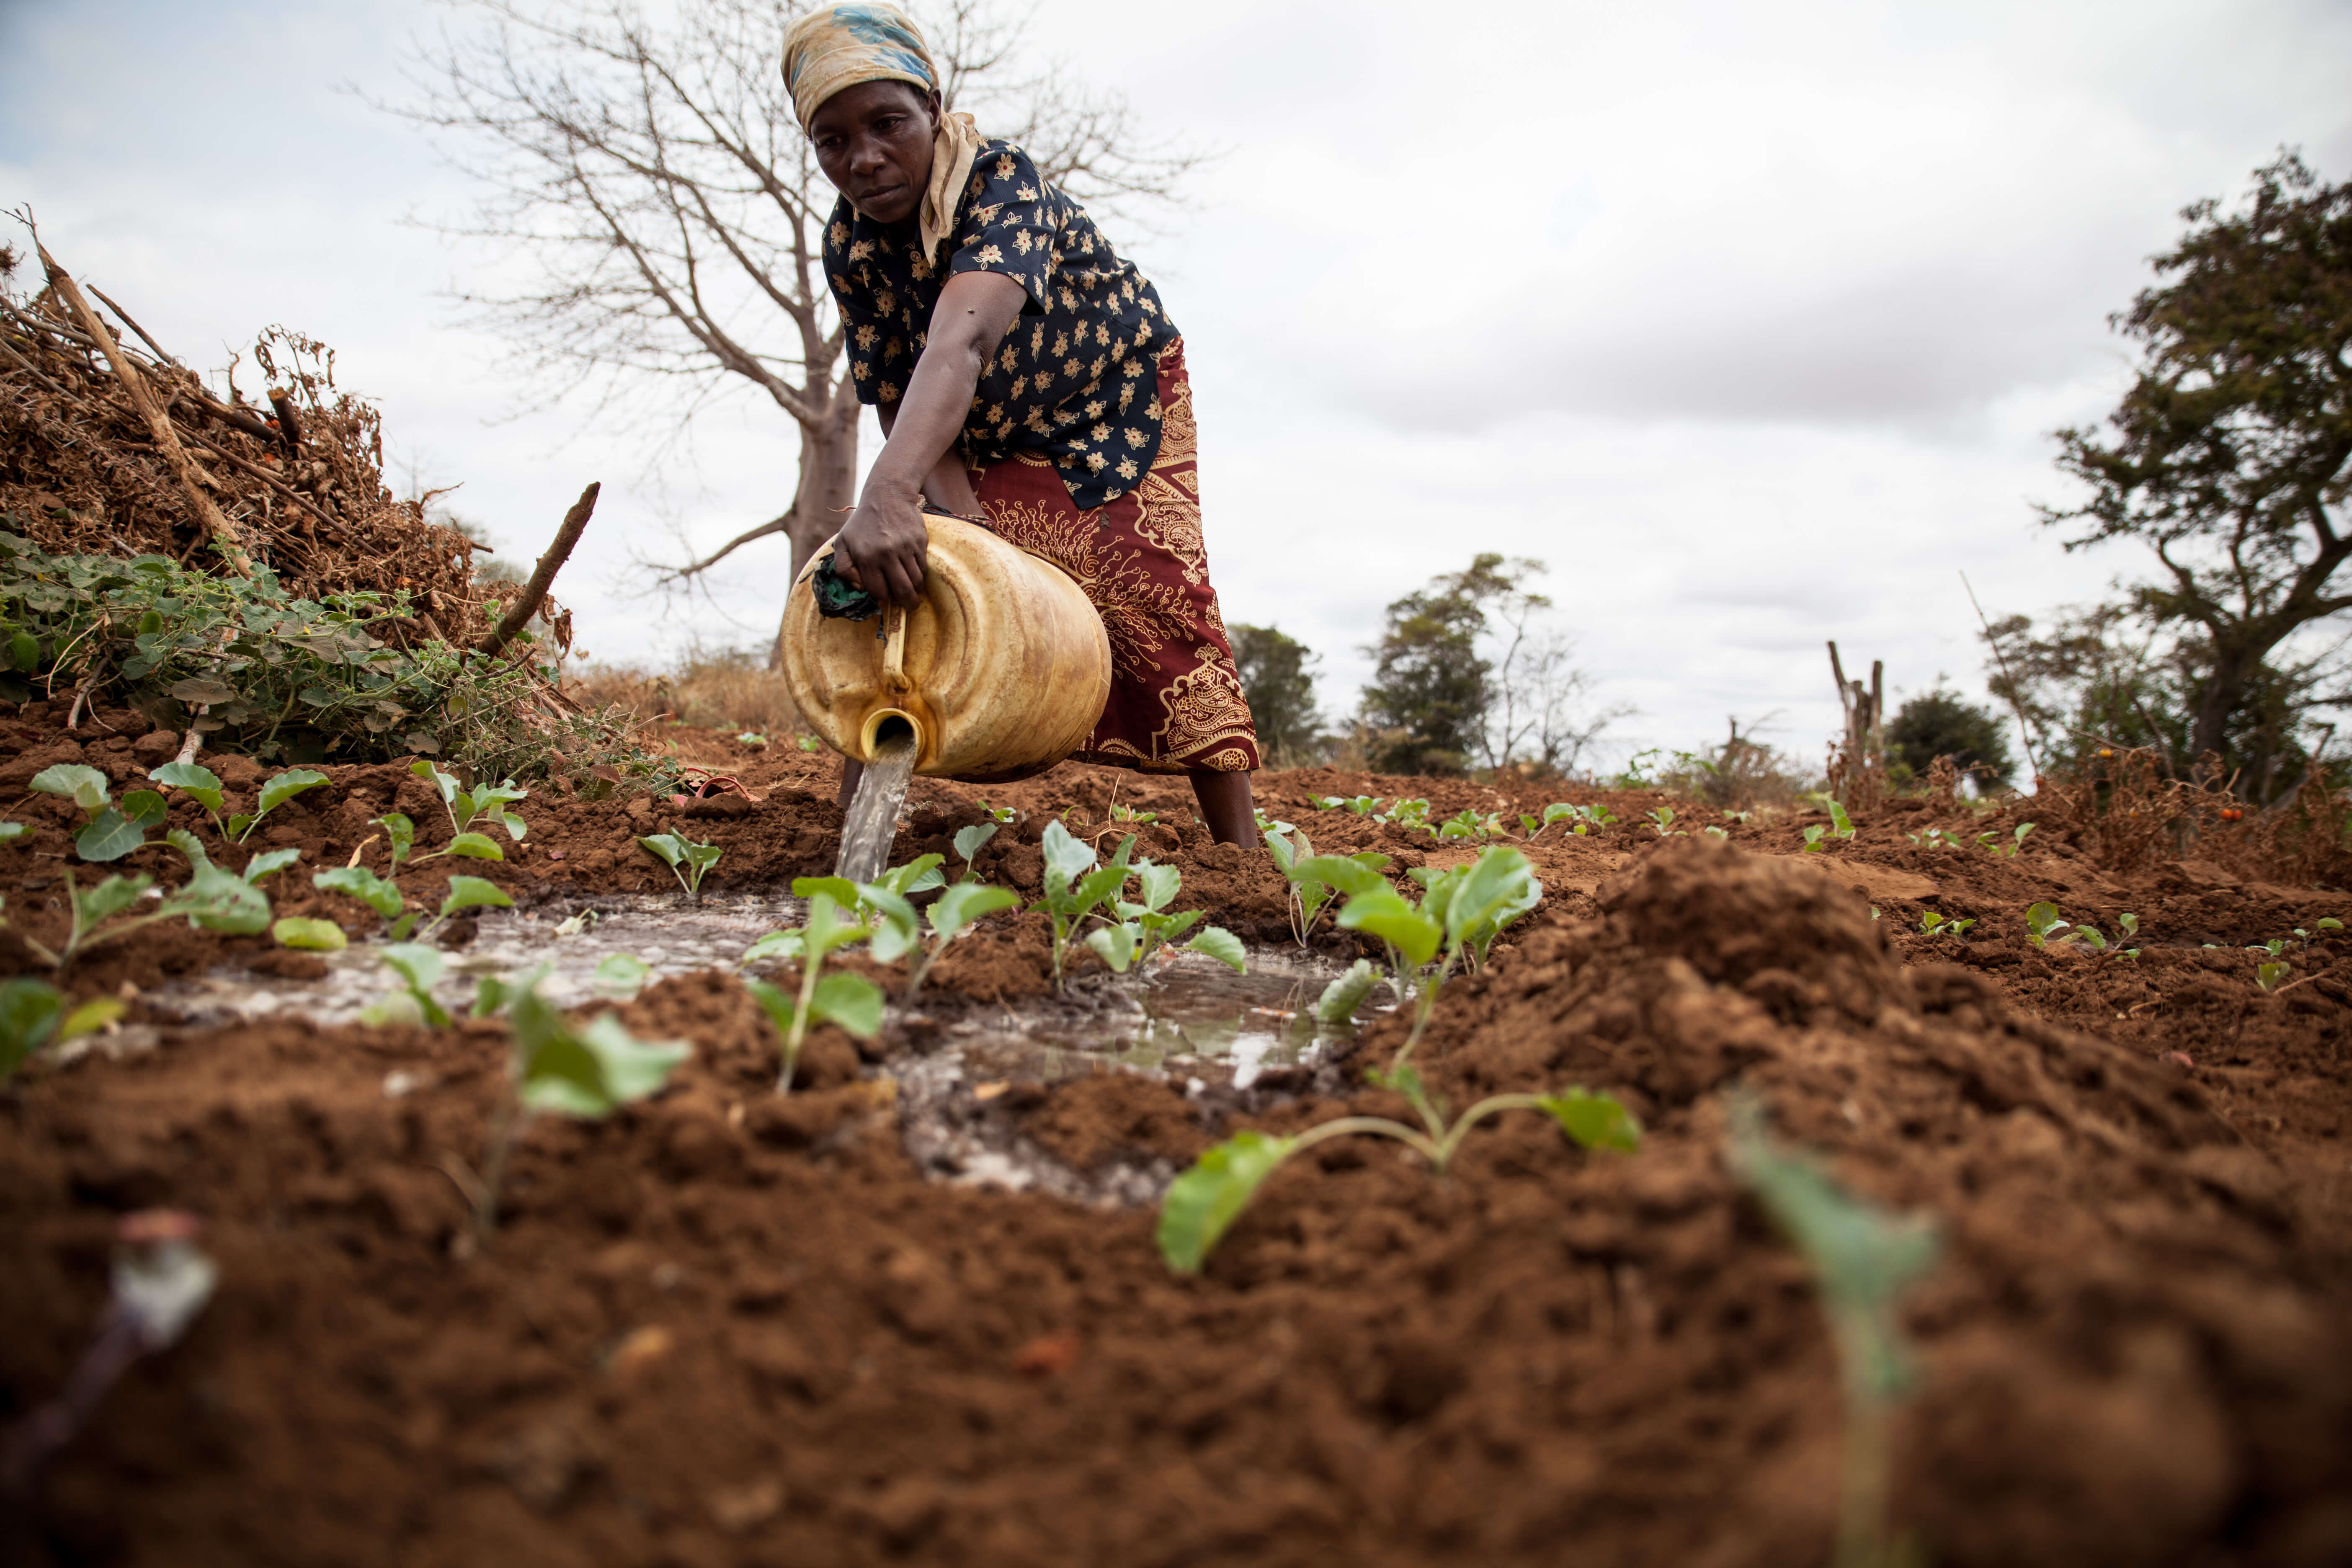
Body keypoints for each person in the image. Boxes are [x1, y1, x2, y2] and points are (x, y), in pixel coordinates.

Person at [781, 2, 1260, 844]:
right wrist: (951, 514)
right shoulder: (850, 244)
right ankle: (854, 832)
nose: (865, 158)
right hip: (968, 420)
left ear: (934, 106)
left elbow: (963, 335)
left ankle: (1242, 856)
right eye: (834, 141)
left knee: (1148, 590)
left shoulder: (1000, 183)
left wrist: (889, 485)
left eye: (888, 124)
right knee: (893, 579)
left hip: (1109, 404)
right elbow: (897, 383)